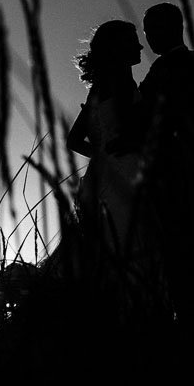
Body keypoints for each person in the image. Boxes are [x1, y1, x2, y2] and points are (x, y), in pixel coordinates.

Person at [135, 2, 194, 331]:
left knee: (178, 250)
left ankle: (193, 324)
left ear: (173, 27)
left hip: (176, 167)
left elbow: (166, 115)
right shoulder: (175, 67)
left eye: (151, 30)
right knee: (173, 249)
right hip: (180, 167)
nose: (148, 38)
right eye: (145, 32)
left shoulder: (188, 63)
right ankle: (180, 320)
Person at [66, 19, 145, 260]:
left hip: (100, 175)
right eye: (132, 41)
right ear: (116, 47)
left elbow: (74, 140)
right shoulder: (121, 81)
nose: (140, 47)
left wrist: (102, 157)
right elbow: (133, 128)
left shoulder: (98, 88)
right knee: (129, 245)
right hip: (127, 174)